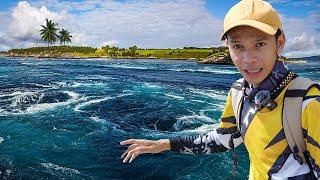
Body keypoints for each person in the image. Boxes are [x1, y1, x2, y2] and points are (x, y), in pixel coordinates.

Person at [120, 0, 320, 179]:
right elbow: (223, 140)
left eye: (259, 44)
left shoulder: (309, 103)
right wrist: (163, 144)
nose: (248, 59)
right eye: (238, 46)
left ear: (280, 43)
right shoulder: (239, 92)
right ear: (228, 47)